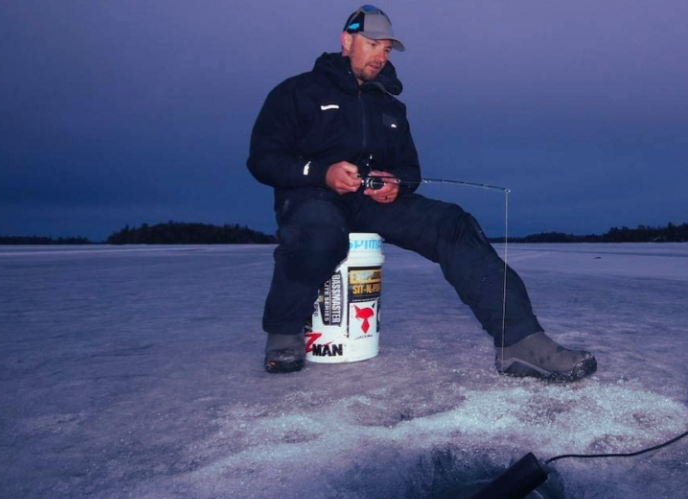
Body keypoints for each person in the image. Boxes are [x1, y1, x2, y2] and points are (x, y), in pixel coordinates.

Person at [246, 5, 597, 381]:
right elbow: (263, 159)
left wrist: (396, 183)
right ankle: (284, 332)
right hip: (311, 195)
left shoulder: (391, 107)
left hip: (370, 201)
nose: (382, 55)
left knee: (453, 224)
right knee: (319, 232)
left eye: (387, 48)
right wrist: (321, 173)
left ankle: (519, 342)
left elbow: (410, 170)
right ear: (347, 41)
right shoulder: (297, 92)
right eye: (373, 44)